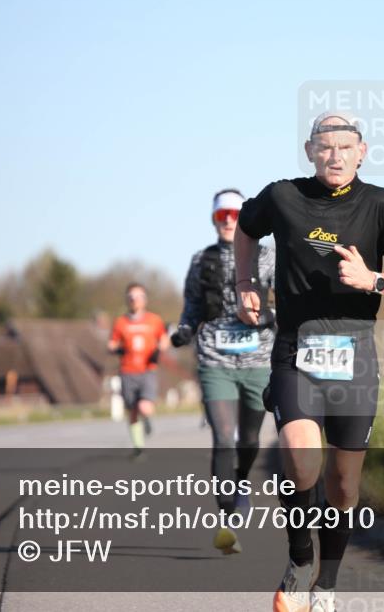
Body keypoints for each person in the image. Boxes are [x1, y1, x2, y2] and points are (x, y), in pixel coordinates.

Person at [234, 112, 384, 612]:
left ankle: (327, 582)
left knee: (343, 485)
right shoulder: (283, 197)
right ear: (309, 151)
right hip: (295, 348)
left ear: (362, 152)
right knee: (301, 455)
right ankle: (300, 558)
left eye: (346, 146)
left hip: (356, 353)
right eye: (325, 146)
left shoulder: (381, 205)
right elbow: (244, 228)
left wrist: (374, 281)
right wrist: (244, 283)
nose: (335, 155)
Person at [170, 188, 276, 555]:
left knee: (248, 439)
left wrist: (270, 316)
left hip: (258, 361)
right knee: (223, 436)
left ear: (244, 217)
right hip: (214, 360)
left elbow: (289, 301)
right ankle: (228, 516)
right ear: (214, 220)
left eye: (234, 213)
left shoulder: (268, 257)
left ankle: (241, 481)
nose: (228, 220)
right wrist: (184, 330)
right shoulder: (201, 260)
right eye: (221, 216)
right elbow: (191, 308)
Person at [108, 283, 171, 459]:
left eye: (138, 297)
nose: (134, 300)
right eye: (131, 297)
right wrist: (115, 349)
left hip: (147, 370)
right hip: (127, 371)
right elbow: (111, 343)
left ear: (145, 300)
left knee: (145, 406)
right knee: (132, 411)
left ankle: (148, 419)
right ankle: (138, 447)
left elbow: (164, 340)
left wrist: (159, 350)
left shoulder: (154, 320)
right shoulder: (121, 322)